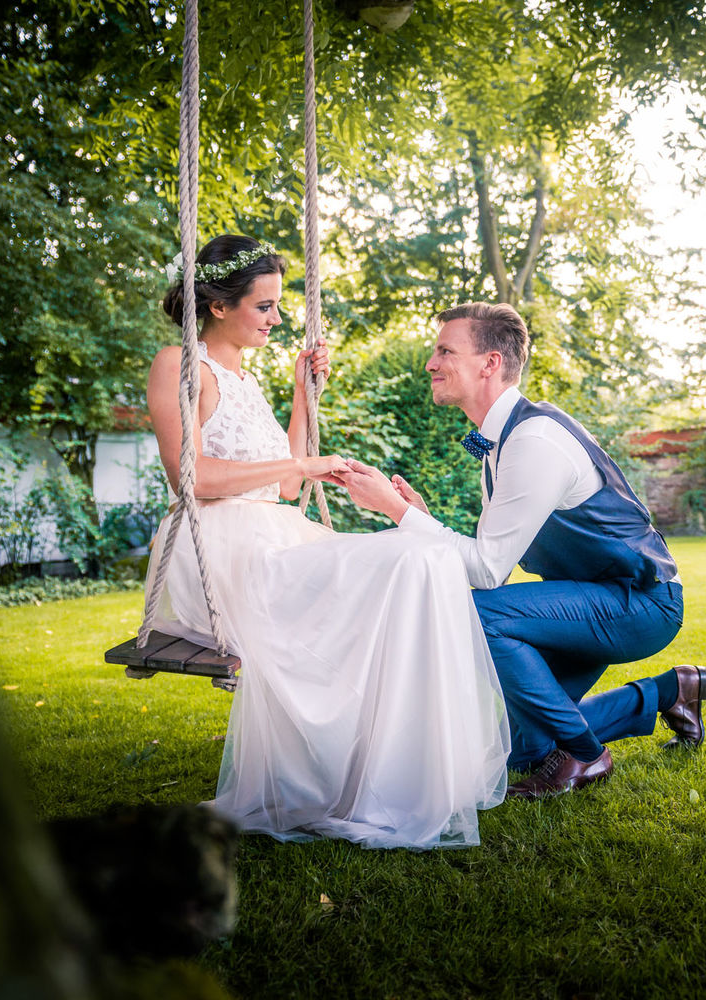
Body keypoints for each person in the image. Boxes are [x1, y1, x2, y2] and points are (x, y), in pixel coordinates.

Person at [142, 236, 508, 849]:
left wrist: (299, 395)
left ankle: (386, 772)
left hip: (272, 532)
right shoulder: (178, 365)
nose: (278, 319)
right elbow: (191, 479)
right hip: (219, 549)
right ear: (217, 306)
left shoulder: (244, 380)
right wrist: (307, 469)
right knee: (406, 561)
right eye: (264, 307)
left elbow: (286, 482)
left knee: (422, 556)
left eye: (279, 306)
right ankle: (361, 773)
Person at [341, 302, 706, 799]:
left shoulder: (534, 440)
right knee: (524, 749)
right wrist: (422, 520)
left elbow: (487, 575)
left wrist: (397, 513)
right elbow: (493, 561)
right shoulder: (496, 442)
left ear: (490, 363)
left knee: (477, 616)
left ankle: (585, 753)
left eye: (445, 350)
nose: (430, 362)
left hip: (639, 602)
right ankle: (671, 691)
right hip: (588, 596)